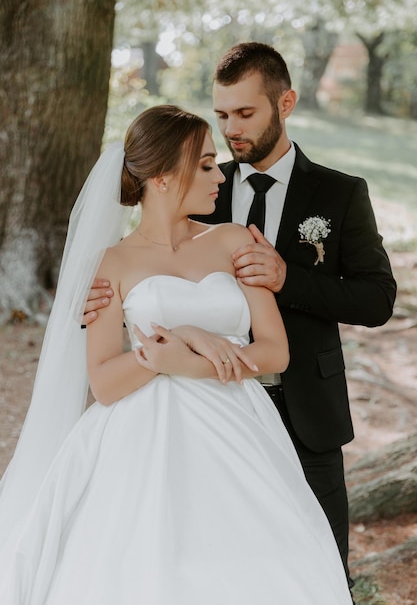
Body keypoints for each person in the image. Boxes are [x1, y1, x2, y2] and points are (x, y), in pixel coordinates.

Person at [0, 105, 353, 603]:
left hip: (238, 427)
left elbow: (274, 353)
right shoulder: (111, 263)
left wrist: (179, 353)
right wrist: (188, 334)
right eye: (206, 165)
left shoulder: (234, 241)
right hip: (144, 434)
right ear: (163, 177)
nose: (220, 176)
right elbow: (103, 382)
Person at [85, 43, 397, 593]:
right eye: (222, 113)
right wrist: (98, 313)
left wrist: (287, 278)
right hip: (192, 413)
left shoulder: (340, 193)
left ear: (286, 103)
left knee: (317, 570)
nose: (231, 128)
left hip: (303, 406)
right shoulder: (203, 186)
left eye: (245, 113)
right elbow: (149, 284)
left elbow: (376, 299)